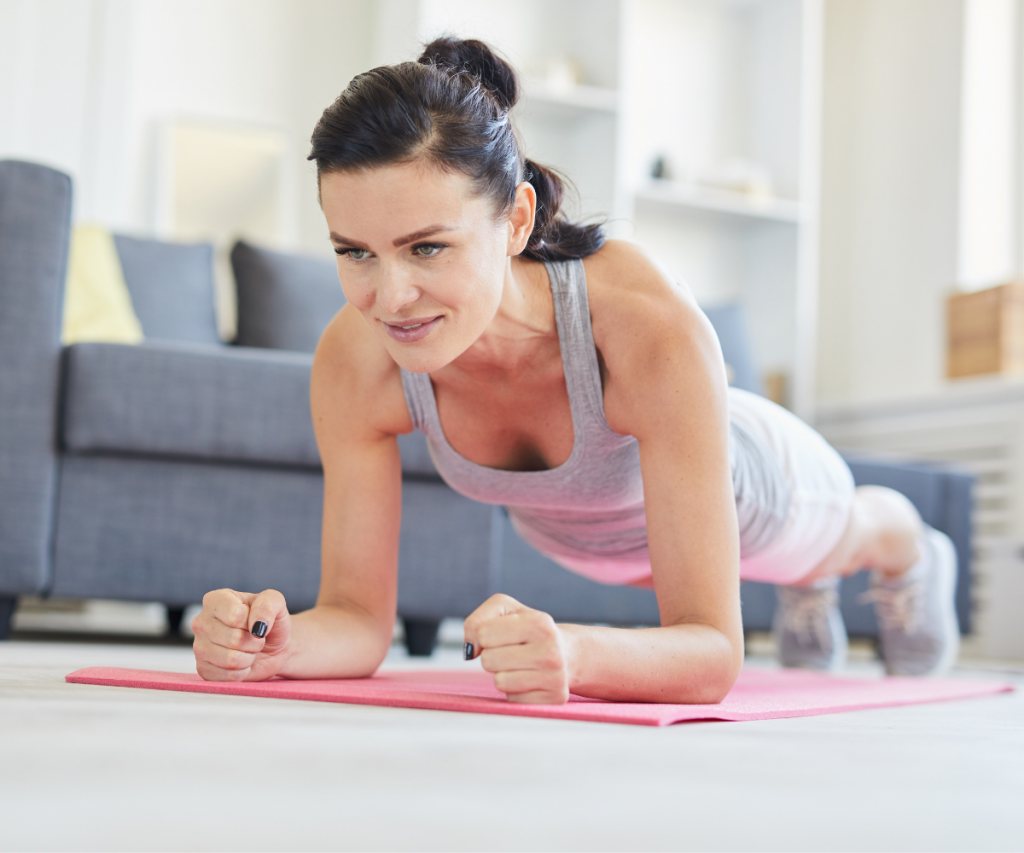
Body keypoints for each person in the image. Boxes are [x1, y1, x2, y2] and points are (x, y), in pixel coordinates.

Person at [191, 38, 960, 703]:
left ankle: (908, 548)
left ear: (517, 220)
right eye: (354, 251)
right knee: (652, 565)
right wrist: (273, 642)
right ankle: (809, 586)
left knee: (838, 538)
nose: (389, 299)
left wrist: (578, 653)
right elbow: (358, 620)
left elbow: (713, 652)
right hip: (598, 537)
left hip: (760, 486)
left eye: (427, 247)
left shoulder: (644, 324)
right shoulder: (354, 359)